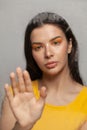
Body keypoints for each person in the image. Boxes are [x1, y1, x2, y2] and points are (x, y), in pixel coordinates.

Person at [0, 12, 87, 130]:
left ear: (70, 45)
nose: (48, 53)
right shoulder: (17, 97)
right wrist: (22, 126)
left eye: (56, 43)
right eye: (38, 47)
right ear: (31, 53)